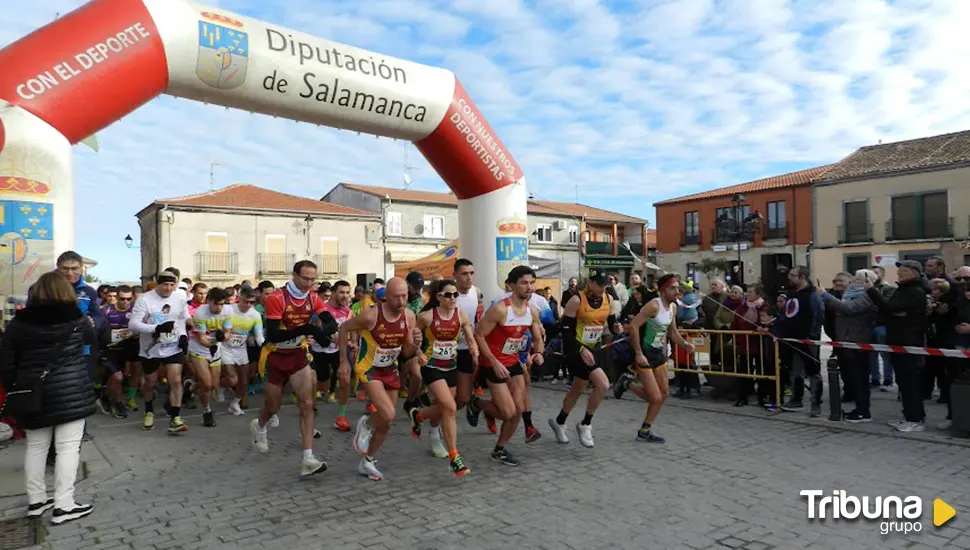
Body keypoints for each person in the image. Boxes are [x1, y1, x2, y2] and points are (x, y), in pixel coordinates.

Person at [0, 272, 97, 524]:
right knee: (67, 448)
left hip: (32, 393)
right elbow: (94, 341)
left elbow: (6, 362)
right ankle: (64, 504)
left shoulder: (18, 323)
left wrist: (16, 387)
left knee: (36, 446)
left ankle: (37, 500)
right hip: (70, 392)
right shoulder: (78, 320)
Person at [249, 261, 336, 476]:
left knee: (307, 404)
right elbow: (275, 334)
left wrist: (322, 331)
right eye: (305, 278)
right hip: (274, 356)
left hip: (297, 355)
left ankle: (308, 458)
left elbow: (331, 323)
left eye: (313, 279)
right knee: (273, 407)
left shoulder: (313, 298)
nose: (309, 283)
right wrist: (306, 328)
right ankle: (259, 426)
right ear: (295, 275)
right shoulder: (277, 298)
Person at [337, 278, 419, 480]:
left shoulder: (409, 316)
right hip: (369, 368)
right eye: (396, 297)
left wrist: (416, 344)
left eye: (405, 296)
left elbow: (407, 351)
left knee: (386, 423)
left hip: (390, 368)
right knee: (388, 413)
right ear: (386, 297)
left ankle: (368, 461)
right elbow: (344, 328)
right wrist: (344, 362)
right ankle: (365, 424)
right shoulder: (371, 315)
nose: (401, 301)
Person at [472, 266, 545, 466]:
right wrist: (494, 362)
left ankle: (500, 449)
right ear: (511, 285)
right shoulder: (500, 309)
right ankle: (477, 404)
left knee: (518, 410)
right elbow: (479, 335)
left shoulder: (532, 311)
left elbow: (538, 338)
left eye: (532, 283)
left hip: (512, 362)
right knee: (507, 412)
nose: (529, 287)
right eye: (524, 283)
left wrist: (539, 353)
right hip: (492, 363)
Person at [613, 273, 695, 443]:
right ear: (663, 290)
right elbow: (634, 326)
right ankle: (627, 384)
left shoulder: (672, 308)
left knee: (664, 394)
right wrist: (638, 353)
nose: (676, 291)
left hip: (659, 354)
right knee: (655, 397)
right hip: (644, 353)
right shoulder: (653, 306)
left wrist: (684, 344)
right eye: (672, 288)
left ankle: (644, 430)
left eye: (677, 288)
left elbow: (672, 332)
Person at [407, 279, 477, 477]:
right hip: (431, 366)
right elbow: (412, 339)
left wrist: (474, 348)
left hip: (450, 366)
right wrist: (418, 352)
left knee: (443, 408)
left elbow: (470, 336)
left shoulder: (460, 315)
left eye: (455, 295)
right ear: (438, 297)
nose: (453, 298)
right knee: (450, 407)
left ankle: (418, 416)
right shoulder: (427, 317)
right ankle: (455, 457)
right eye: (448, 295)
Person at [548, 268, 620, 447]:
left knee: (578, 388)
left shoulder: (608, 299)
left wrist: (617, 327)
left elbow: (611, 324)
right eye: (600, 284)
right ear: (590, 283)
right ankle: (585, 424)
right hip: (575, 349)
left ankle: (559, 421)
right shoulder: (576, 300)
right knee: (603, 384)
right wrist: (580, 349)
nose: (603, 288)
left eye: (606, 285)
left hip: (593, 348)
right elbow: (566, 332)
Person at [865, 260, 928, 432]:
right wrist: (892, 313)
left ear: (914, 273)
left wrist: (871, 290)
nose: (899, 273)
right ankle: (909, 416)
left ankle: (915, 419)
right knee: (903, 381)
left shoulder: (914, 291)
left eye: (904, 271)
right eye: (900, 270)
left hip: (907, 341)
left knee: (910, 382)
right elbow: (889, 311)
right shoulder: (903, 290)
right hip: (898, 339)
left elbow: (889, 308)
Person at [128, 270, 191, 434]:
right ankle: (148, 411)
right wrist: (156, 328)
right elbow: (133, 325)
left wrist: (184, 335)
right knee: (150, 383)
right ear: (157, 283)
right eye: (165, 284)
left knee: (176, 380)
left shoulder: (180, 298)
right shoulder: (145, 300)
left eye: (172, 284)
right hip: (151, 349)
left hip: (173, 346)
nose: (168, 288)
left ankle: (175, 418)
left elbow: (182, 317)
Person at [817, 269, 878, 422]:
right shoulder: (849, 294)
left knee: (860, 378)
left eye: (858, 279)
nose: (854, 281)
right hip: (845, 340)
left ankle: (863, 411)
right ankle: (858, 407)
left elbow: (848, 309)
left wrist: (825, 295)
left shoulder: (867, 296)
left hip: (857, 341)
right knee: (852, 376)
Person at [778, 266, 824, 416]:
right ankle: (796, 399)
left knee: (813, 371)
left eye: (793, 275)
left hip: (808, 340)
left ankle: (816, 402)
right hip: (792, 339)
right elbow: (787, 315)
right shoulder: (791, 294)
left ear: (802, 277)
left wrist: (812, 336)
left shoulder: (812, 295)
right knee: (795, 371)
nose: (789, 278)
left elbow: (818, 316)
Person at [313, 280, 355, 432]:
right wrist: (332, 338)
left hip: (339, 350)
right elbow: (318, 331)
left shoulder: (348, 311)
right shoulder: (322, 309)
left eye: (347, 292)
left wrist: (353, 343)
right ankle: (309, 410)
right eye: (341, 292)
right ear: (334, 292)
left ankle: (341, 417)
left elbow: (353, 328)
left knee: (345, 380)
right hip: (321, 350)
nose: (345, 296)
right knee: (322, 385)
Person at [187, 287, 231, 427]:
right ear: (209, 301)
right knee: (207, 383)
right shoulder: (201, 313)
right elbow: (201, 338)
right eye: (216, 304)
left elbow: (228, 332)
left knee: (214, 385)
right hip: (199, 348)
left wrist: (223, 337)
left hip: (215, 348)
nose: (219, 307)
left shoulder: (228, 311)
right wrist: (212, 345)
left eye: (222, 304)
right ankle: (207, 412)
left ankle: (191, 386)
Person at [222, 286, 264, 416]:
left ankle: (234, 404)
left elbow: (259, 335)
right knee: (232, 379)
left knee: (244, 382)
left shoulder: (255, 315)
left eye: (252, 302)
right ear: (239, 298)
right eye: (246, 301)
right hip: (225, 347)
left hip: (241, 349)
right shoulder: (228, 309)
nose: (248, 305)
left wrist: (266, 345)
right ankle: (217, 386)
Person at [101, 285, 139, 418]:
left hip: (128, 350)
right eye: (122, 299)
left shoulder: (136, 311)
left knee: (123, 377)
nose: (126, 302)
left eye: (129, 299)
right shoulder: (105, 311)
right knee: (118, 377)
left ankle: (105, 396)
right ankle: (118, 402)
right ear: (116, 297)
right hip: (109, 350)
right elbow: (98, 331)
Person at [452, 259, 480, 412]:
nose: (469, 277)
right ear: (455, 275)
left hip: (465, 348)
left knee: (463, 398)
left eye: (471, 273)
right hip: (446, 349)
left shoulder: (476, 291)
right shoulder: (447, 293)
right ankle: (436, 425)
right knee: (446, 395)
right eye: (464, 274)